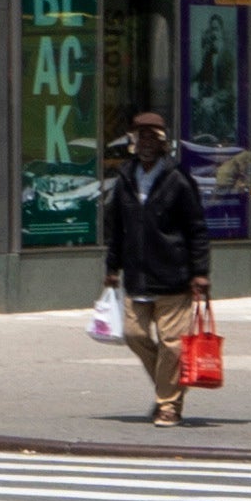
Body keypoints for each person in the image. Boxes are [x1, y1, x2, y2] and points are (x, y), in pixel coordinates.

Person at [99, 110, 214, 428]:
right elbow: (116, 227)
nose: (147, 142)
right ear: (133, 142)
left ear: (163, 143)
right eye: (141, 137)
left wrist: (200, 272)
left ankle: (168, 405)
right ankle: (172, 387)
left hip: (173, 276)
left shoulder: (177, 178)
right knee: (133, 333)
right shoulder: (125, 178)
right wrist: (112, 268)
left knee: (172, 343)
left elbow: (197, 229)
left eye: (154, 137)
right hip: (136, 276)